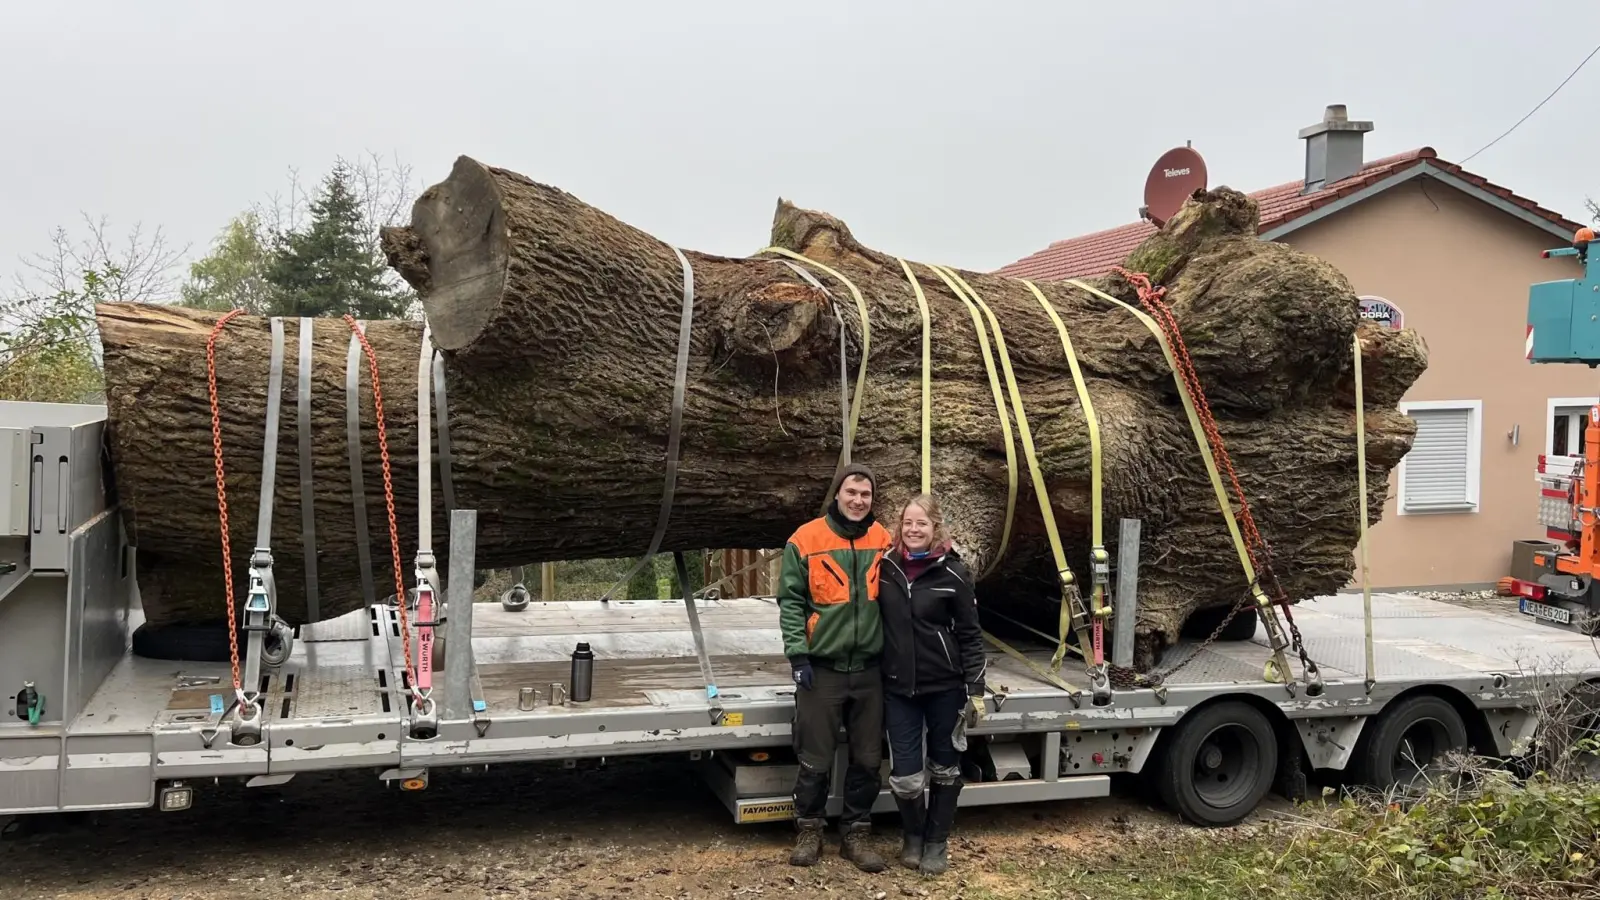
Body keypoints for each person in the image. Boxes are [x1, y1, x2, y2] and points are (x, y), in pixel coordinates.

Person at [776, 462, 894, 872]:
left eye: (866, 494)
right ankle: (809, 830)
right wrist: (798, 656)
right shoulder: (805, 540)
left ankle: (856, 834)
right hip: (822, 668)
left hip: (869, 670)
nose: (858, 501)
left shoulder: (884, 540)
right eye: (852, 493)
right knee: (814, 757)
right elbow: (791, 602)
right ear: (838, 494)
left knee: (868, 758)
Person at [876, 493, 986, 875]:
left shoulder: (954, 573)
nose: (913, 529)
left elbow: (971, 635)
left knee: (945, 768)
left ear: (935, 527)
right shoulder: (886, 568)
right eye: (907, 523)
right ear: (900, 527)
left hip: (945, 688)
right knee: (905, 777)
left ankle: (936, 843)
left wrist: (976, 687)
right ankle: (913, 836)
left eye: (921, 523)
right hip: (898, 689)